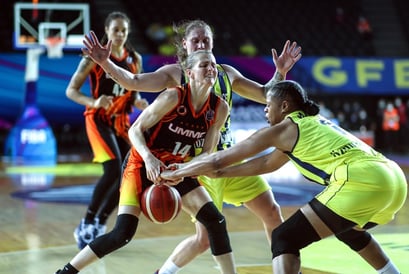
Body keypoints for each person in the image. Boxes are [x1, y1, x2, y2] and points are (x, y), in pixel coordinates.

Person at [81, 19, 301, 273]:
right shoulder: (176, 74)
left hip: (229, 157)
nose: (201, 44)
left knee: (272, 212)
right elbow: (133, 81)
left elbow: (265, 94)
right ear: (185, 45)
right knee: (205, 238)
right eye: (195, 40)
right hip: (198, 164)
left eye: (205, 40)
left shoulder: (226, 73)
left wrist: (280, 73)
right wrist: (105, 62)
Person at [161, 80, 407, 274]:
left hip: (362, 180)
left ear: (285, 106)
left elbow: (218, 158)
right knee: (348, 229)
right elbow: (268, 163)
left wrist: (178, 171)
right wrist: (221, 173)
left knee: (284, 237)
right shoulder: (313, 122)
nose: (265, 110)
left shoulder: (283, 130)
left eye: (268, 104)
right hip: (393, 179)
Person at [55, 50, 239, 274]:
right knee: (122, 234)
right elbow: (135, 130)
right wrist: (150, 159)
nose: (211, 69)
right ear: (189, 72)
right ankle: (65, 272)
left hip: (177, 167)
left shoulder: (219, 108)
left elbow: (208, 152)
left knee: (215, 220)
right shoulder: (173, 97)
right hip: (142, 163)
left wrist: (183, 169)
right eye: (204, 65)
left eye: (213, 64)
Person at [65, 11, 148, 250]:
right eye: (116, 30)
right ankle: (87, 221)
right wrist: (93, 102)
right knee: (112, 169)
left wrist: (139, 100)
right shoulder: (93, 58)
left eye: (124, 30)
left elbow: (135, 87)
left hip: (121, 120)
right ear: (107, 31)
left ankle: (100, 222)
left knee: (127, 174)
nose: (120, 34)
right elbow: (71, 91)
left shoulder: (135, 58)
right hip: (99, 118)